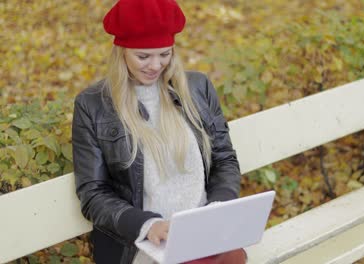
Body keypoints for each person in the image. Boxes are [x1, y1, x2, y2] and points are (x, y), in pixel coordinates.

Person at [71, 0, 245, 263]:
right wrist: (147, 225)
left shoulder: (197, 88)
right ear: (121, 52)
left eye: (165, 54)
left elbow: (224, 159)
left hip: (204, 234)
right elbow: (93, 193)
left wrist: (218, 207)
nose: (155, 65)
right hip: (143, 244)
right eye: (143, 56)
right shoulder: (93, 105)